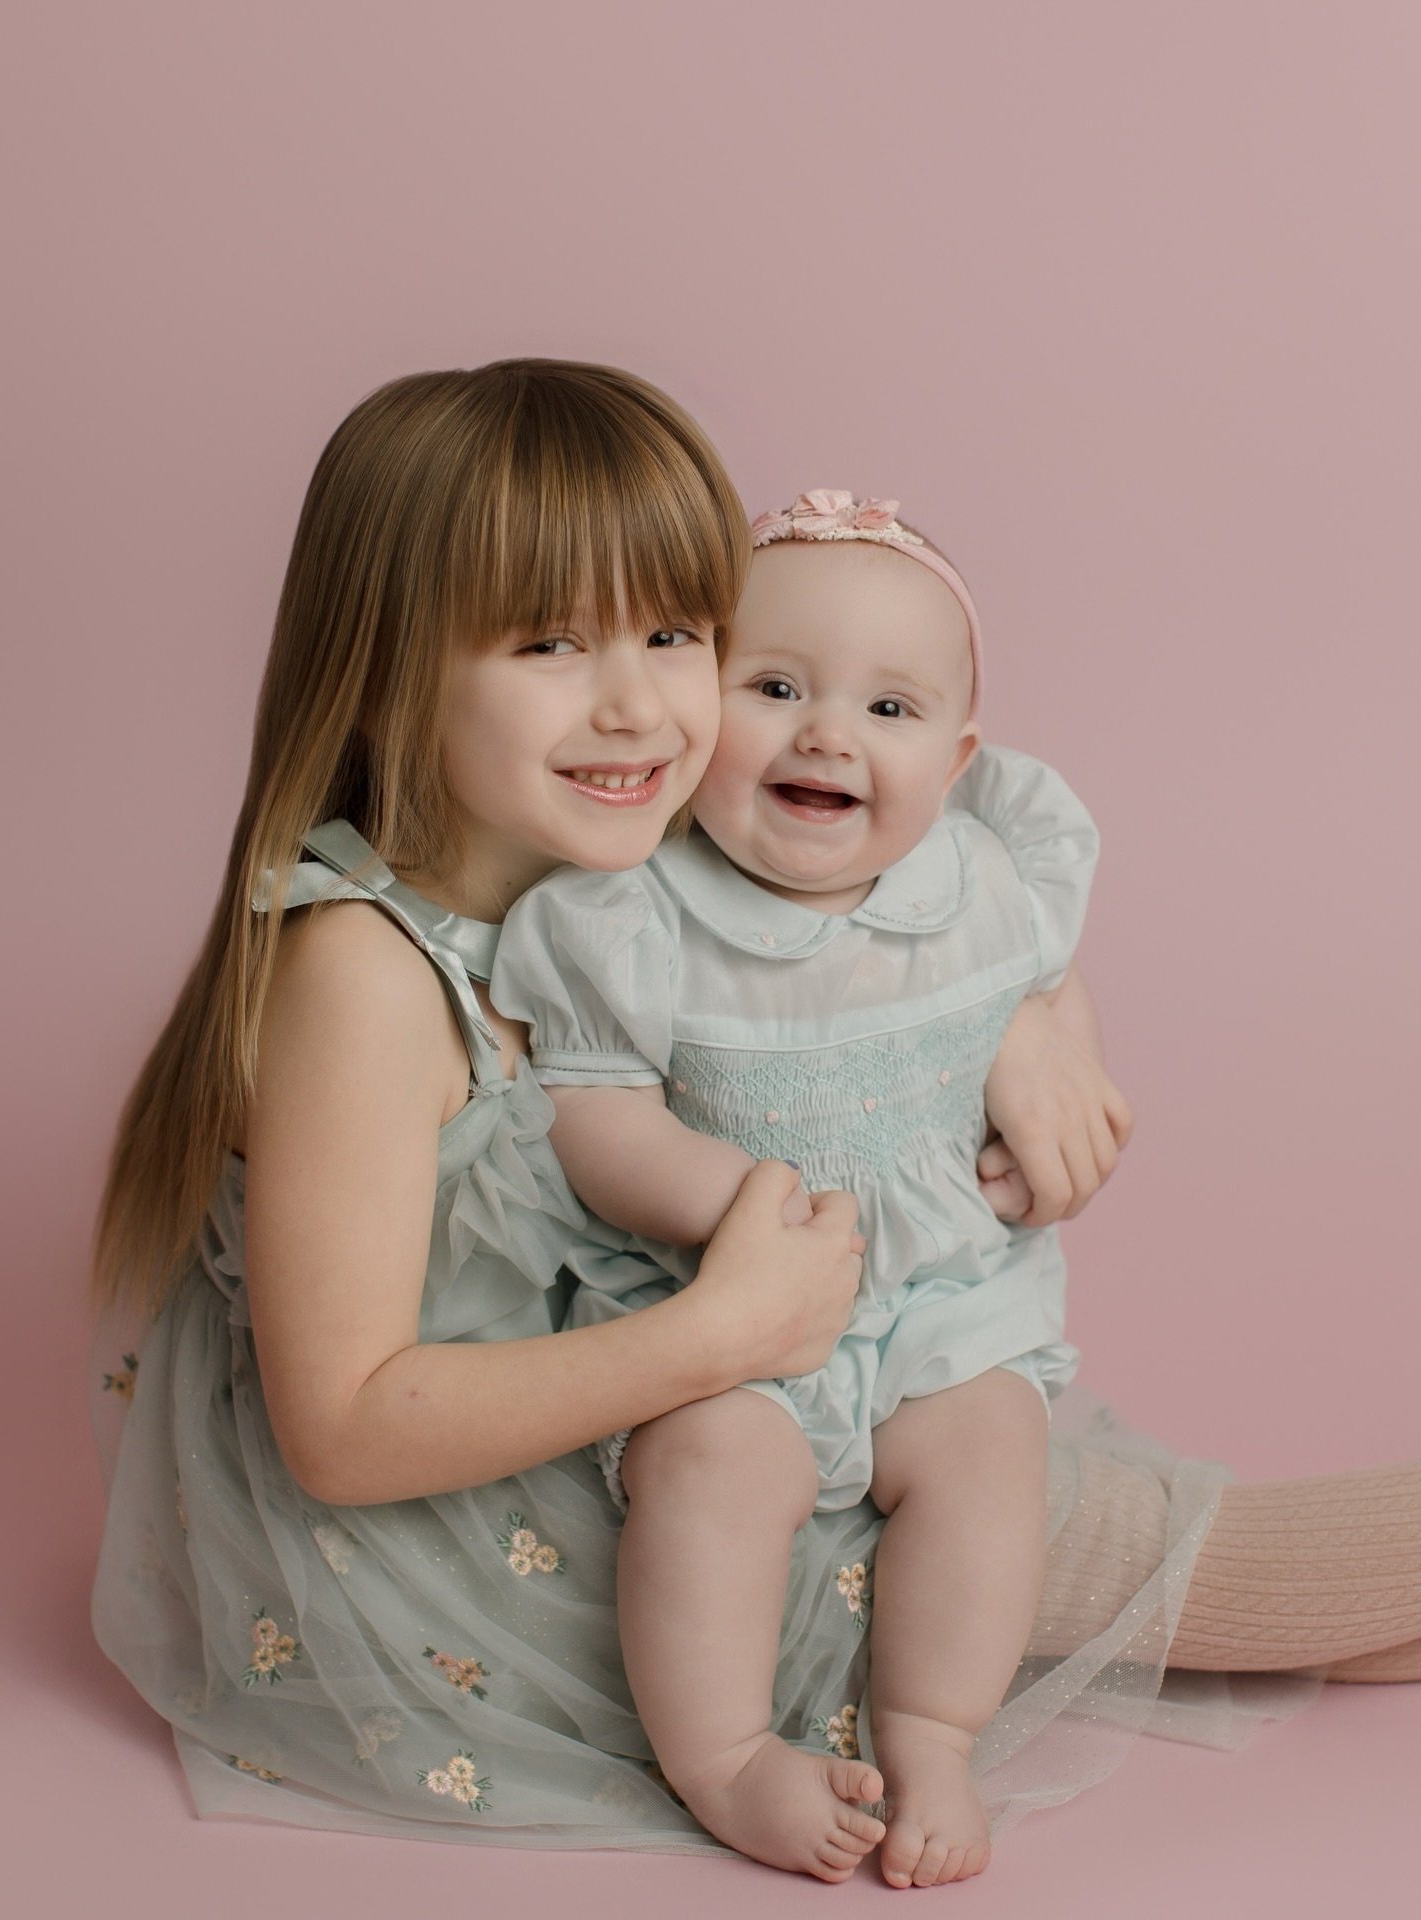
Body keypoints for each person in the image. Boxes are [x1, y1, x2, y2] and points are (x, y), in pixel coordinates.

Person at [90, 362, 1421, 1877]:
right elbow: (337, 1427)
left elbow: (925, 871)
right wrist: (719, 1340)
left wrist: (1050, 1023)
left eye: (675, 633)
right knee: (1192, 1567)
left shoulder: (614, 860)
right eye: (548, 642)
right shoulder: (365, 977)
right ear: (393, 669)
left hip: (779, 1390)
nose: (637, 702)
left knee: (1225, 1590)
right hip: (579, 1501)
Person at [489, 488, 1120, 1885]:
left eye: (890, 712)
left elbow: (1050, 1000)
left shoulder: (986, 876)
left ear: (957, 758)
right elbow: (590, 1115)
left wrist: (1056, 1075)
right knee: (709, 1473)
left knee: (989, 1461)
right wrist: (734, 1200)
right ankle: (721, 1753)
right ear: (702, 712)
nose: (829, 733)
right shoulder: (635, 912)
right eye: (774, 687)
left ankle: (934, 1729)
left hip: (947, 1293)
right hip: (728, 1302)